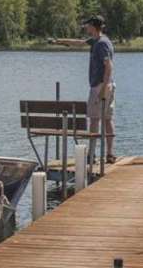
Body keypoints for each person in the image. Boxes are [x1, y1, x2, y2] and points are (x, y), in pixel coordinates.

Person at [50, 15, 117, 163]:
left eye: (87, 25)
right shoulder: (96, 40)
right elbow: (79, 43)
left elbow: (109, 66)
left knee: (95, 120)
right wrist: (59, 41)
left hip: (100, 85)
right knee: (107, 119)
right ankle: (109, 154)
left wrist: (103, 89)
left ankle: (92, 154)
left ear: (93, 26)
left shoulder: (102, 44)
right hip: (105, 84)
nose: (86, 27)